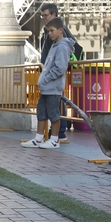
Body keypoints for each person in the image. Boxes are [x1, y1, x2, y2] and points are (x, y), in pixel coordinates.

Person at [22, 17, 73, 150]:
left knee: (53, 113)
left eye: (52, 31)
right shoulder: (55, 45)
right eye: (48, 31)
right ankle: (39, 138)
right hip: (46, 87)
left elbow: (60, 67)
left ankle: (55, 140)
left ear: (61, 30)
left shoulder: (62, 47)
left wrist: (46, 78)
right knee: (42, 112)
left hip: (53, 88)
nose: (49, 33)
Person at [38, 3, 79, 142]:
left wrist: (47, 77)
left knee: (55, 106)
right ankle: (47, 136)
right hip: (49, 76)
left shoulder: (61, 35)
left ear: (54, 14)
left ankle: (58, 134)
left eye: (46, 15)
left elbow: (62, 61)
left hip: (54, 78)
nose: (43, 18)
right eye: (42, 15)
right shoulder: (48, 32)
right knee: (46, 107)